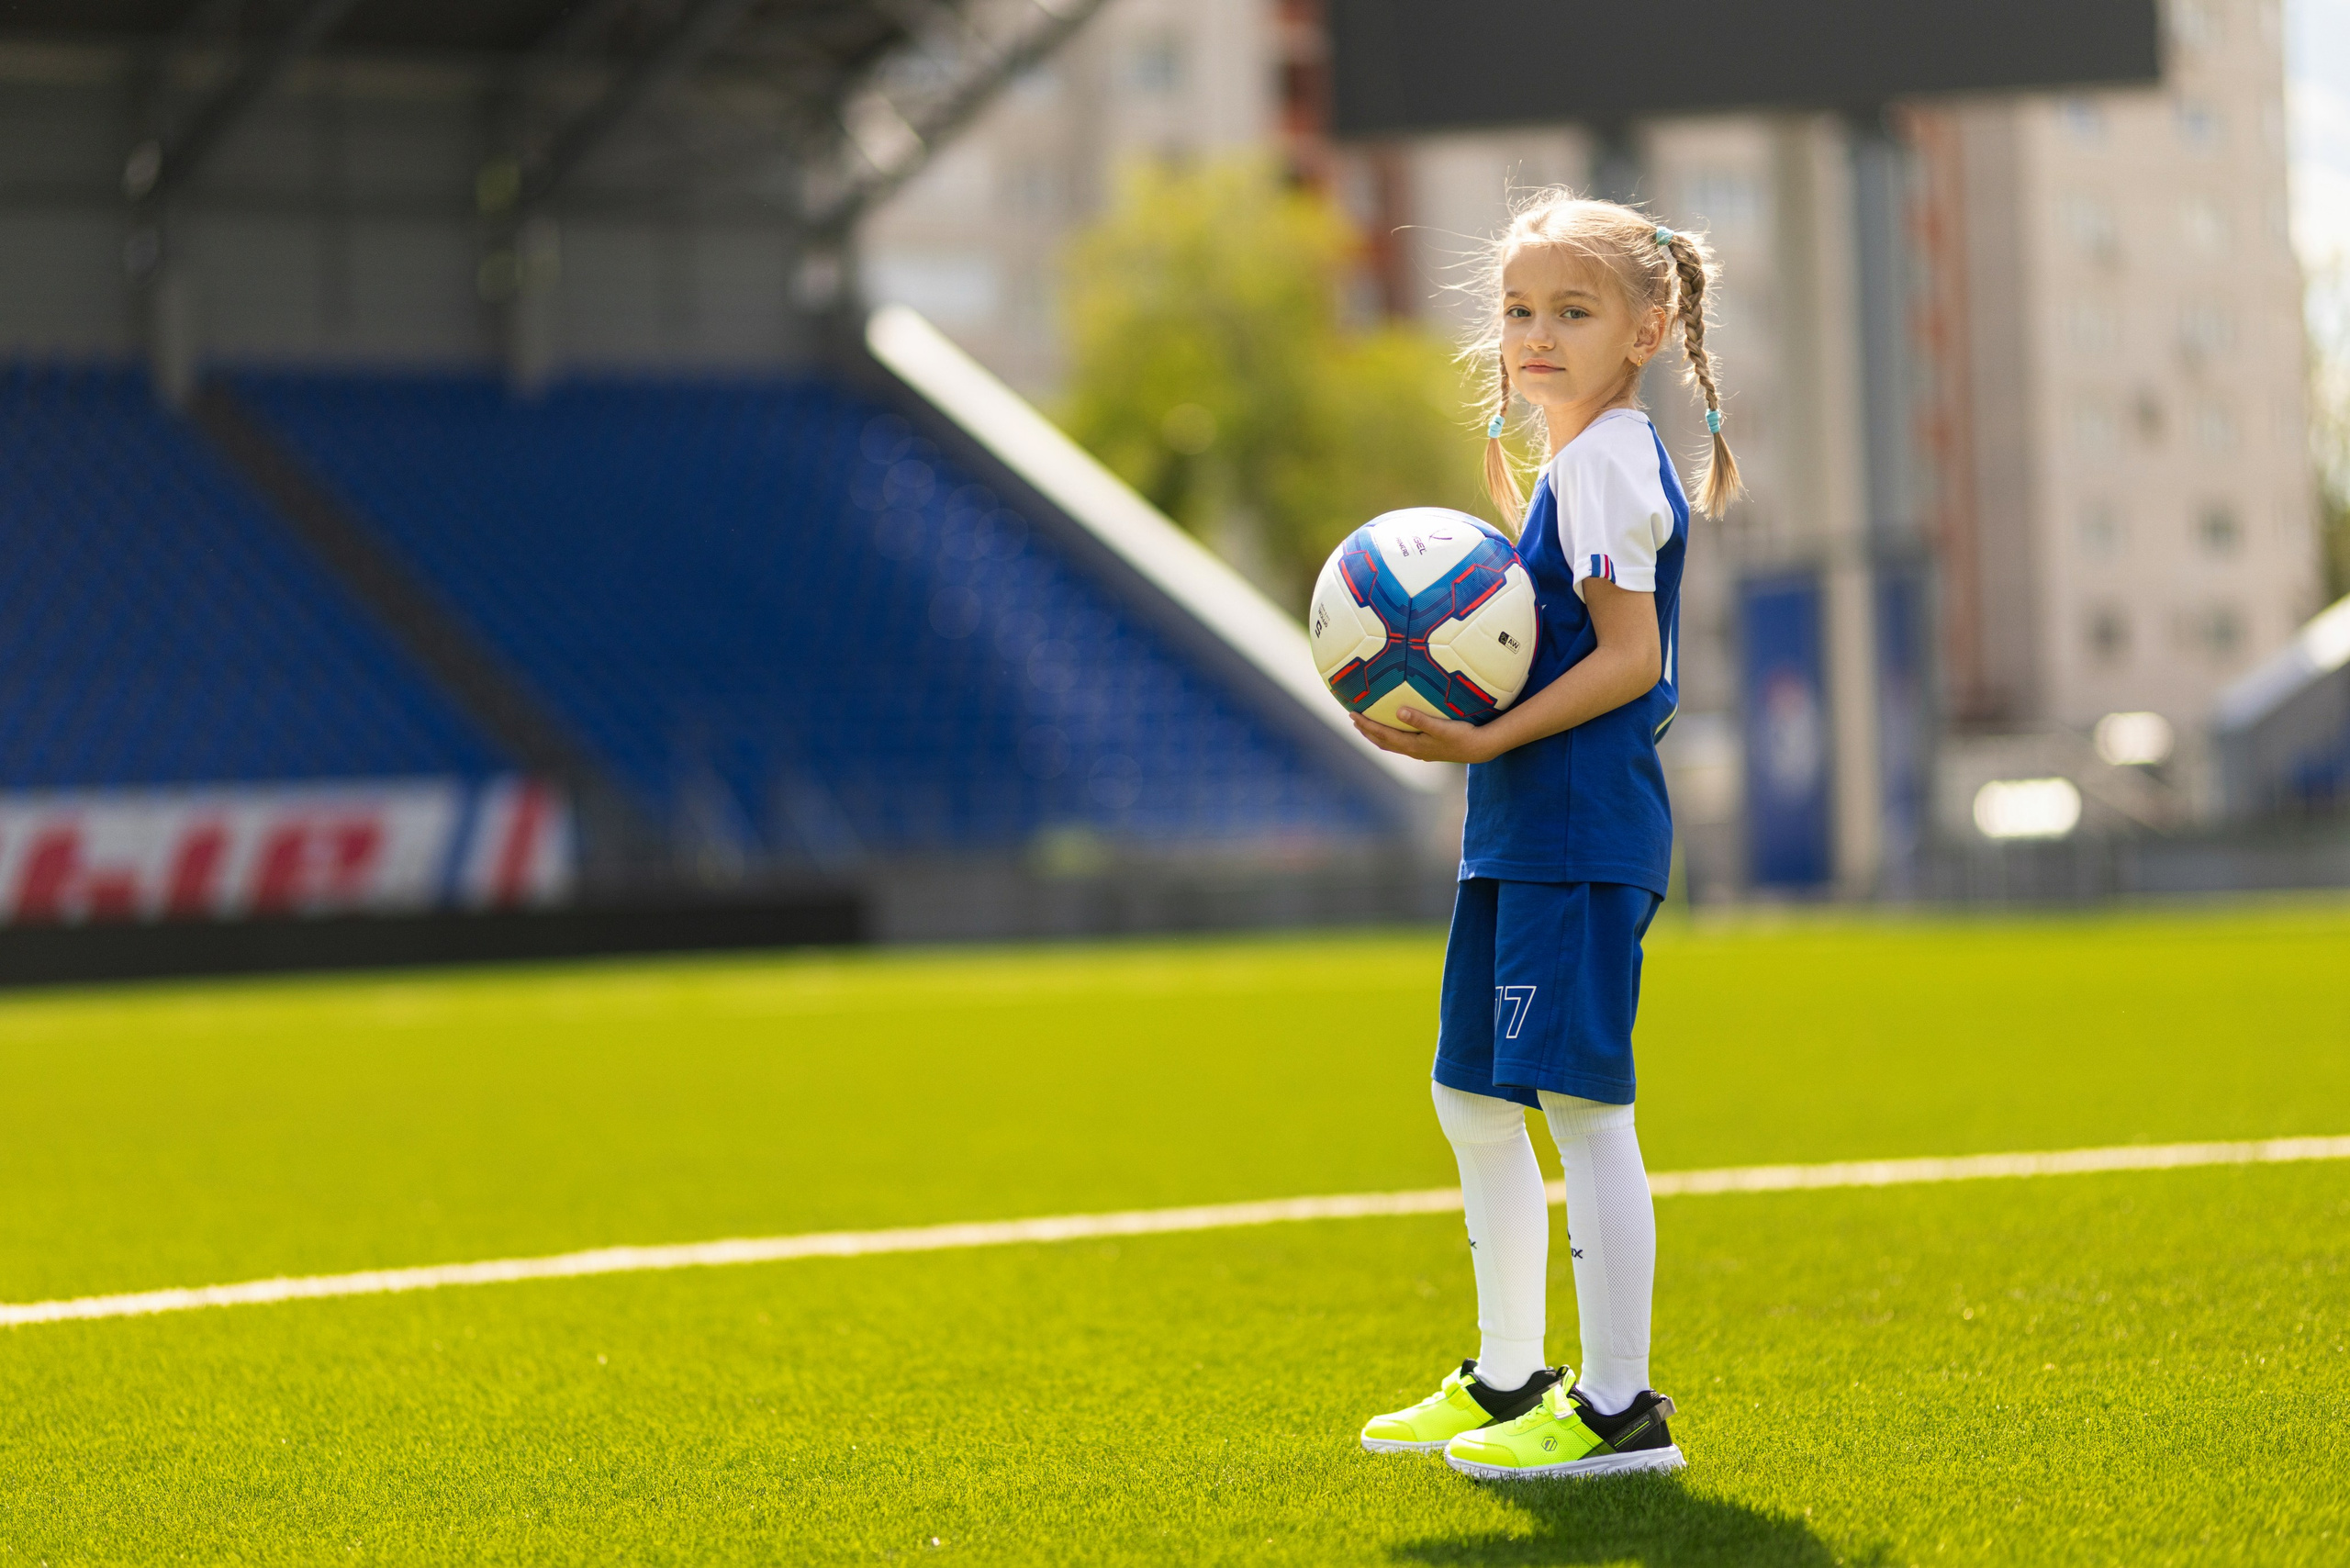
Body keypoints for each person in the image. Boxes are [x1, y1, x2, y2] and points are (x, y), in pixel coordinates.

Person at [1350, 189, 1740, 1479]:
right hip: (1519, 828)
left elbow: (1630, 660)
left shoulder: (1613, 462)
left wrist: (1477, 739)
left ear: (1647, 328)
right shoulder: (1575, 465)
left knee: (1582, 1108)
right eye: (1521, 310)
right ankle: (1510, 1376)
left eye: (1573, 311)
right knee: (1469, 1096)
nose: (1537, 334)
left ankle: (1622, 1410)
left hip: (1574, 827)